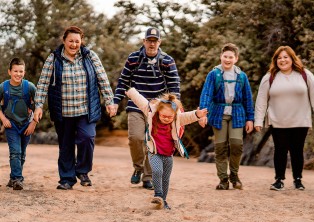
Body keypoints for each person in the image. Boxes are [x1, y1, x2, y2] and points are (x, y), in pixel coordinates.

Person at [33, 26, 115, 190]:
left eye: (77, 41)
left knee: (87, 137)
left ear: (81, 41)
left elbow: (102, 79)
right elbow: (42, 83)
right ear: (64, 41)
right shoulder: (54, 59)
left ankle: (83, 170)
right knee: (65, 145)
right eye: (71, 40)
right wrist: (38, 106)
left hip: (86, 109)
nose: (74, 44)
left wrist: (109, 101)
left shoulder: (89, 56)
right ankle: (66, 179)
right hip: (63, 111)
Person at [113, 27, 180, 190]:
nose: (152, 44)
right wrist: (115, 101)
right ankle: (138, 167)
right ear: (144, 41)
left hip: (158, 109)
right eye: (149, 40)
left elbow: (174, 86)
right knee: (135, 138)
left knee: (153, 141)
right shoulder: (134, 58)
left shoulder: (167, 60)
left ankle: (148, 177)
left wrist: (174, 108)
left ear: (159, 42)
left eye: (155, 41)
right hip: (136, 105)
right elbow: (123, 81)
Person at [126, 87, 207, 209]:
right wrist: (131, 92)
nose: (167, 119)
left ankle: (163, 200)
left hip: (168, 155)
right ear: (158, 112)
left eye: (170, 117)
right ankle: (157, 194)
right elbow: (141, 101)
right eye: (164, 116)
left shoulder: (177, 119)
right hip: (154, 152)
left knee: (166, 178)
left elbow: (187, 117)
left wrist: (197, 114)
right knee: (157, 171)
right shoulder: (151, 113)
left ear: (174, 115)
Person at [254, 45, 314, 191]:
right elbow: (261, 101)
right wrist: (258, 120)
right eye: (279, 58)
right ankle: (279, 180)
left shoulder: (305, 74)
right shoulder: (269, 77)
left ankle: (298, 179)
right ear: (275, 60)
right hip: (277, 121)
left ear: (292, 58)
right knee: (280, 150)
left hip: (300, 120)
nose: (282, 60)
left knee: (297, 150)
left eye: (285, 57)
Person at [199, 43, 254, 190]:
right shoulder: (214, 74)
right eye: (225, 56)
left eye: (231, 57)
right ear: (221, 57)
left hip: (237, 114)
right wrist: (202, 114)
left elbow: (248, 98)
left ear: (236, 59)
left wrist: (250, 118)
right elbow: (206, 94)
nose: (227, 59)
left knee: (236, 144)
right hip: (218, 113)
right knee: (220, 147)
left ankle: (234, 175)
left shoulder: (241, 76)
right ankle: (223, 179)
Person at [0, 58, 37, 190]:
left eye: (21, 71)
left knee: (22, 153)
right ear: (9, 71)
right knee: (15, 152)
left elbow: (39, 106)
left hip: (27, 124)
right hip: (11, 125)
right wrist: (4, 120)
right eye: (15, 71)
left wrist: (33, 123)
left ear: (24, 72)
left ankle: (13, 178)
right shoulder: (3, 87)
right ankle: (17, 179)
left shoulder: (29, 87)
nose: (18, 74)